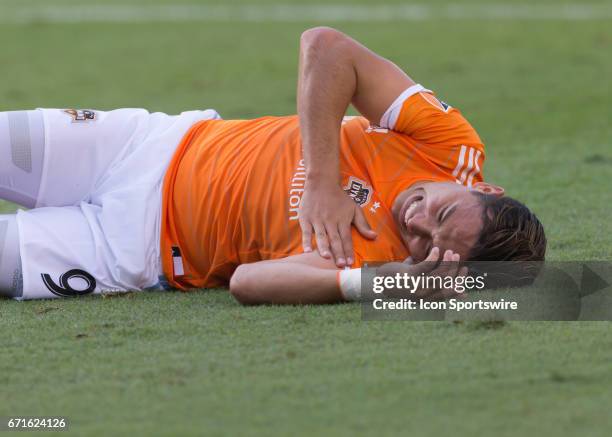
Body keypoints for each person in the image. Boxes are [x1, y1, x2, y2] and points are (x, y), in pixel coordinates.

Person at [0, 27, 546, 303]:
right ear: (485, 187)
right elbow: (326, 47)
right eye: (444, 213)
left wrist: (384, 283)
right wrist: (323, 181)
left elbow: (248, 282)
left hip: (130, 250)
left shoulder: (381, 264)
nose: (418, 223)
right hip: (150, 144)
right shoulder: (452, 148)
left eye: (428, 245)